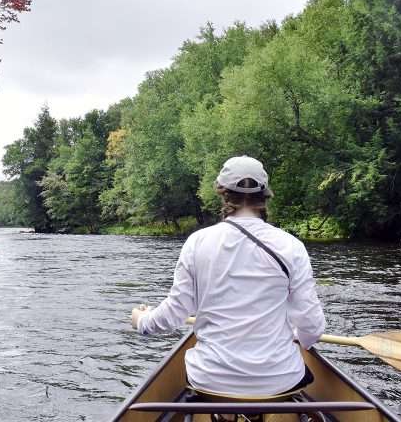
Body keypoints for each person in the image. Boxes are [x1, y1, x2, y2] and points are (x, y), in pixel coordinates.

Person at [130, 155, 326, 400]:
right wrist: (297, 339)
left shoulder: (197, 243)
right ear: (264, 195)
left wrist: (142, 321)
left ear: (222, 193)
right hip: (279, 381)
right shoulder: (291, 246)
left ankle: (222, 414)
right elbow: (313, 327)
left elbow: (173, 315)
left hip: (210, 379)